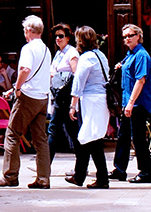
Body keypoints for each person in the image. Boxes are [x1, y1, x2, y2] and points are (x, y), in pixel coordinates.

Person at [0, 15, 52, 190]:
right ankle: (43, 178)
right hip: (42, 97)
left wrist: (17, 87)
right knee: (40, 138)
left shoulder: (28, 48)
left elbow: (25, 69)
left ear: (28, 30)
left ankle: (10, 176)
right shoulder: (47, 49)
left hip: (28, 96)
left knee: (12, 134)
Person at [64, 26, 110, 188]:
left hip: (91, 100)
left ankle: (94, 178)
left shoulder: (86, 58)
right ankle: (83, 175)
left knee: (89, 138)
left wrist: (72, 105)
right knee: (91, 138)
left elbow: (79, 82)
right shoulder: (101, 55)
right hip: (102, 99)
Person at [109, 23, 151, 184]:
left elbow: (140, 80)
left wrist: (130, 103)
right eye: (125, 36)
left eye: (130, 35)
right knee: (123, 136)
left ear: (138, 36)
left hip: (137, 104)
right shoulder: (129, 55)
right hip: (128, 102)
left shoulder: (141, 55)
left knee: (138, 138)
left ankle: (145, 172)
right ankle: (119, 169)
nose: (127, 39)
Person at [48, 23, 79, 163]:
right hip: (58, 96)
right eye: (56, 36)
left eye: (61, 36)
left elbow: (76, 74)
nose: (58, 39)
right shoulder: (59, 53)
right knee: (72, 131)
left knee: (54, 128)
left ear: (68, 37)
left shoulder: (71, 52)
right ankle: (81, 163)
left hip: (65, 97)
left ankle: (44, 165)